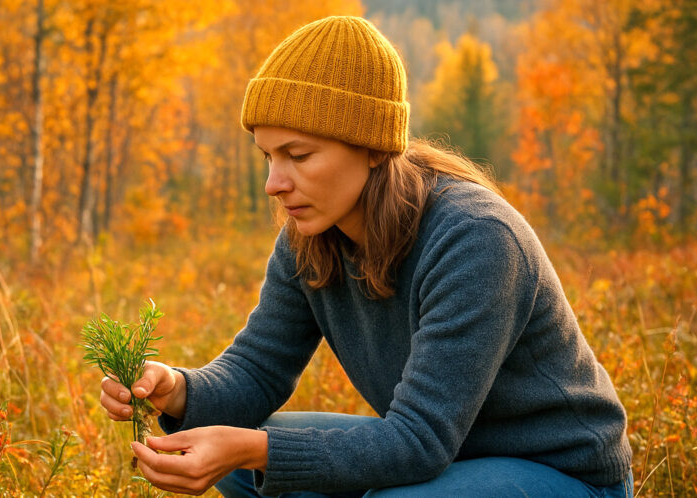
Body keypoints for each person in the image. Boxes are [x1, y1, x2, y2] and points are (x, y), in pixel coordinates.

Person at [98, 15, 633, 497]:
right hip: (453, 460)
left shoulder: (476, 239)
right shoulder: (310, 236)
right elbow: (257, 373)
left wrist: (254, 450)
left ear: (375, 146)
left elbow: (419, 441)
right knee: (242, 460)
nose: (273, 184)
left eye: (298, 155)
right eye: (267, 156)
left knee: (294, 468)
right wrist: (175, 390)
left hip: (563, 474)